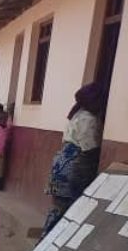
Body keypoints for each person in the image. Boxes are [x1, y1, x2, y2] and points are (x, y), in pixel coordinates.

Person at [44, 83, 108, 234]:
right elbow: (89, 147)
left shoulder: (77, 115)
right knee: (70, 211)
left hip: (61, 165)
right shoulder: (89, 119)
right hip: (75, 168)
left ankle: (45, 242)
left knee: (58, 209)